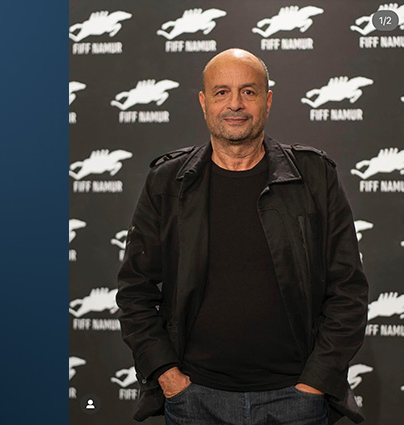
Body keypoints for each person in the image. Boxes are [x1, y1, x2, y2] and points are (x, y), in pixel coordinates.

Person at [116, 48, 368, 425]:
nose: (235, 103)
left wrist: (315, 383)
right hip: (194, 401)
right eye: (222, 92)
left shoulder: (315, 177)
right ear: (204, 103)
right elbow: (135, 291)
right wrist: (167, 376)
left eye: (248, 91)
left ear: (268, 101)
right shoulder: (167, 182)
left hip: (296, 401)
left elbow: (348, 290)